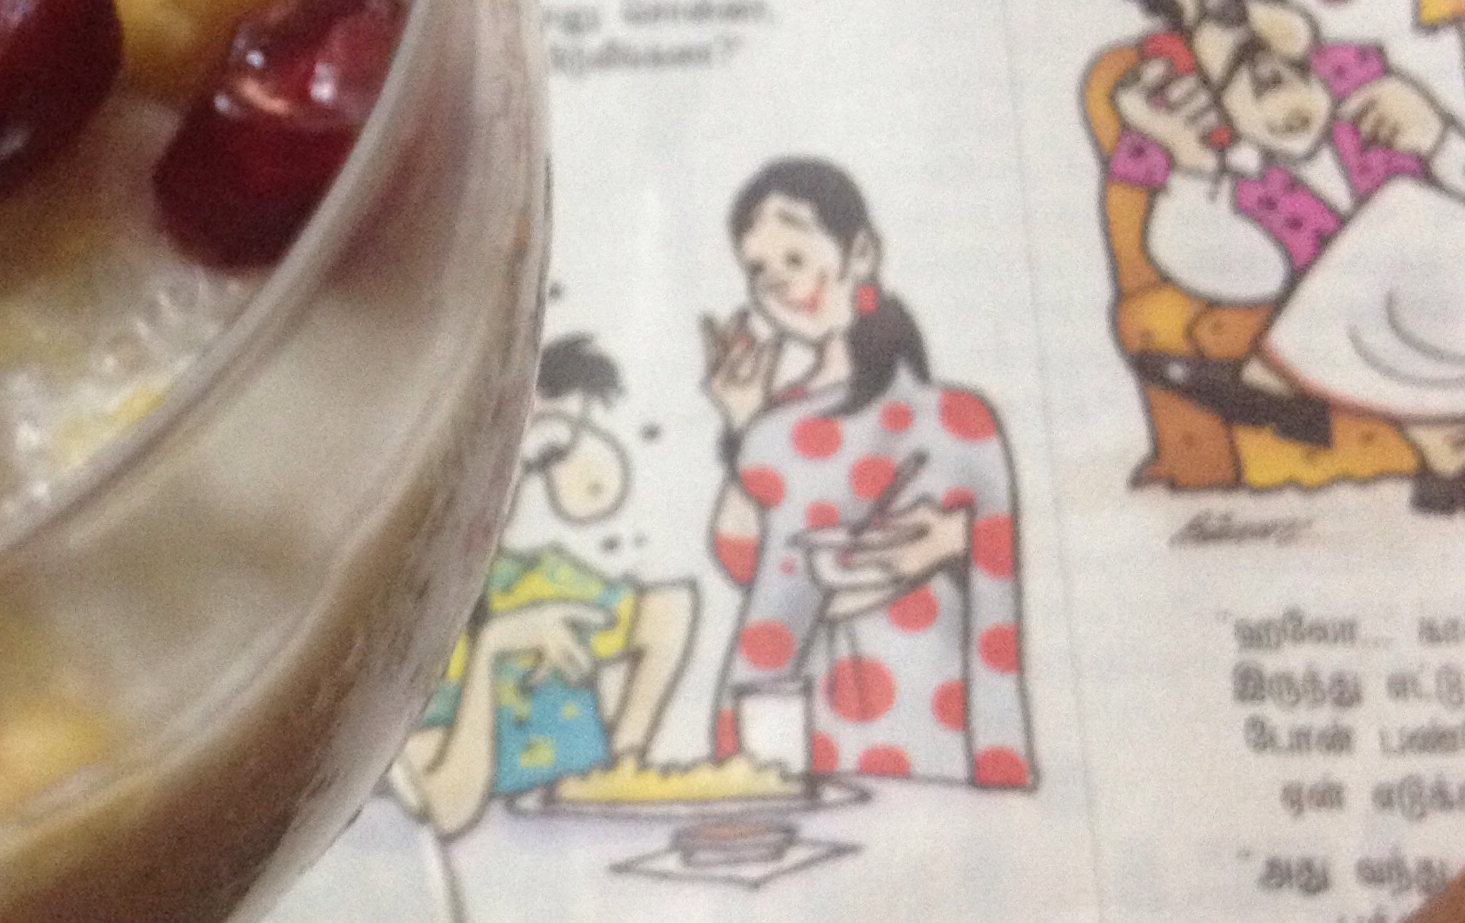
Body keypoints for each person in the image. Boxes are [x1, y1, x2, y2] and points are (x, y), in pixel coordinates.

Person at [1109, 0, 1465, 521]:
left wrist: (1439, 137)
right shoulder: (1234, 181)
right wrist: (1191, 162)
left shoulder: (1374, 93)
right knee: (1398, 216)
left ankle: (1270, 388)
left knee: (1423, 212)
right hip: (1389, 335)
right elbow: (1234, 273)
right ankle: (1454, 466)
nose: (1240, 13)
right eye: (1210, 7)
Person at [704, 161, 1032, 791]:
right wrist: (741, 428)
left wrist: (955, 543)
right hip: (801, 717)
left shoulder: (954, 417)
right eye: (758, 271)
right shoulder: (773, 426)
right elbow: (747, 564)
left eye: (795, 258)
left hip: (919, 709)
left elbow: (998, 593)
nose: (776, 284)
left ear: (861, 254)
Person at [391, 334, 698, 837]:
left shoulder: (539, 574)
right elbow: (450, 806)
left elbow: (669, 611)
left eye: (534, 454)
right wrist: (493, 649)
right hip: (503, 872)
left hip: (595, 844)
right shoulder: (411, 632)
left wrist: (623, 763)